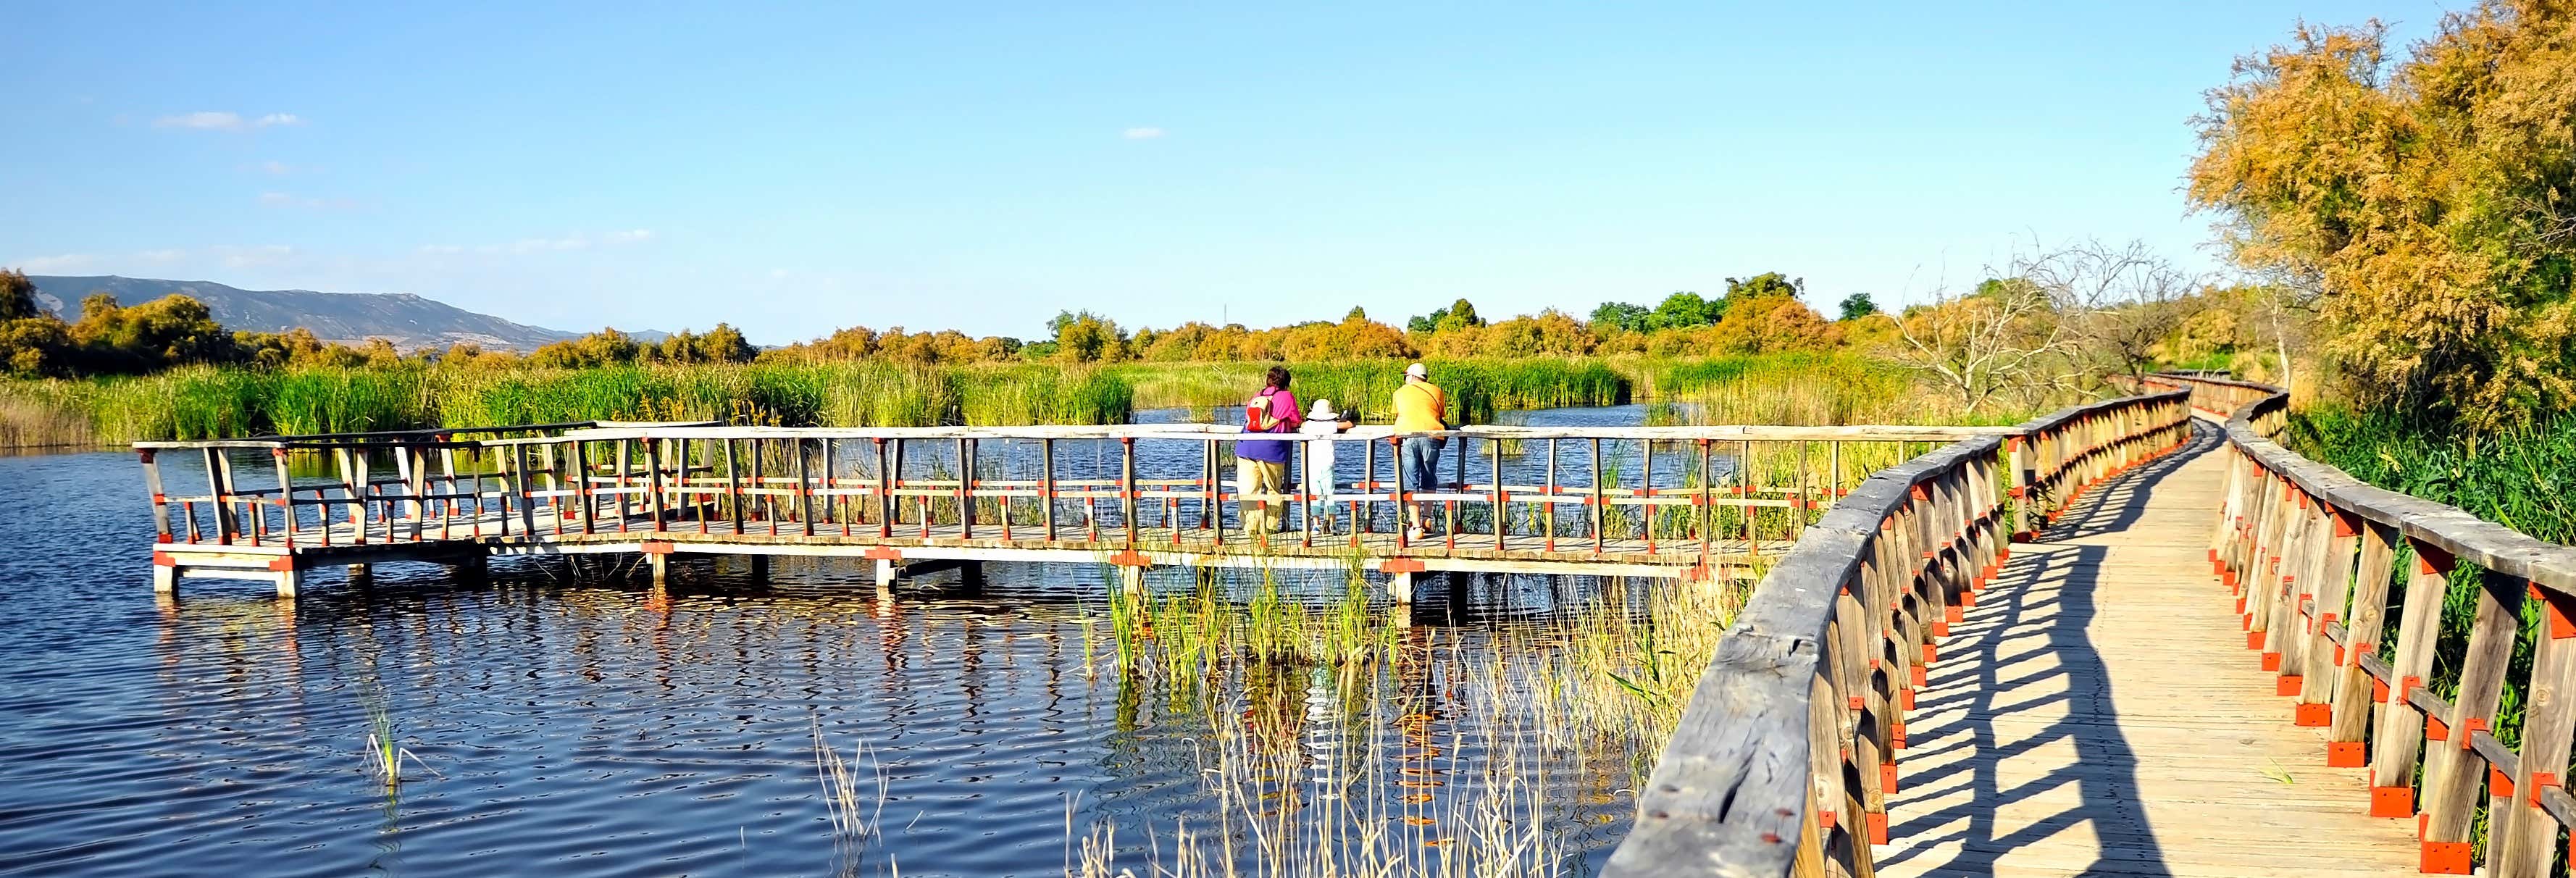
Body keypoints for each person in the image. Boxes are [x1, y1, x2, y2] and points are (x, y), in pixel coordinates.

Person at [1234, 366, 1302, 536]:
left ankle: (1250, 528)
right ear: (1286, 382)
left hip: (1246, 446)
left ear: (1268, 380)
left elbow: (1249, 419)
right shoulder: (1287, 397)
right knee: (1273, 488)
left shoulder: (1257, 396)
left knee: (1249, 490)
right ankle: (1270, 527)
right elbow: (1296, 420)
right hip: (1271, 449)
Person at [1390, 361, 1448, 538]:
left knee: (1410, 480)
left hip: (1408, 437)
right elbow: (1440, 414)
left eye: (1406, 376)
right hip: (1431, 436)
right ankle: (1427, 518)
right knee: (1429, 476)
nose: (1405, 379)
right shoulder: (1437, 391)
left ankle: (1416, 527)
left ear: (1412, 376)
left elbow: (1398, 413)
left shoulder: (1399, 393)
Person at [1297, 398, 1355, 532]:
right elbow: (1349, 424)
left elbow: (1302, 425)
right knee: (1330, 494)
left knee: (1315, 495)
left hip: (1312, 464)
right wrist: (1340, 421)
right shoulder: (1331, 426)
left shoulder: (1309, 426)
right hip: (1327, 463)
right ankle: (1332, 523)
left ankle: (1316, 524)